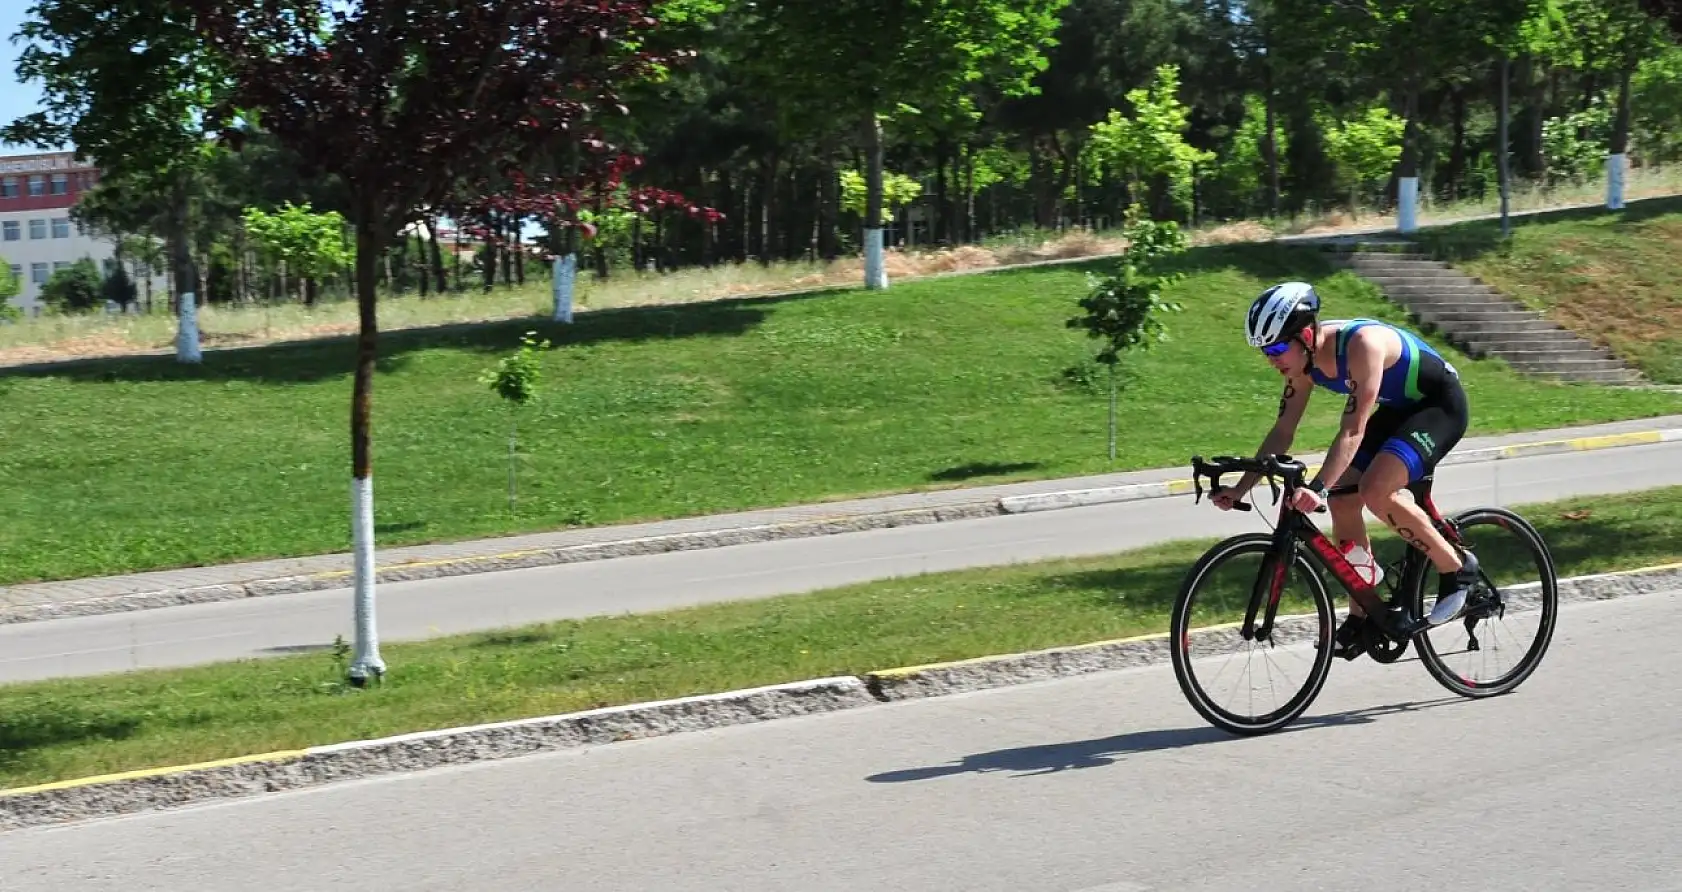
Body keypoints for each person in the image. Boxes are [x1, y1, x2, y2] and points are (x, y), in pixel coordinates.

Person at [1212, 280, 1481, 658]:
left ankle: (1456, 567)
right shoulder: (1301, 366)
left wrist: (1318, 486)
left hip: (1439, 407)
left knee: (1375, 490)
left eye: (1275, 348)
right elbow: (1283, 431)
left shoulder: (1362, 346)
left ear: (1305, 335)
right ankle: (1364, 613)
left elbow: (1353, 428)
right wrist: (1242, 488)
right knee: (1343, 501)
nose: (1271, 359)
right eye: (1264, 352)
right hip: (1399, 410)